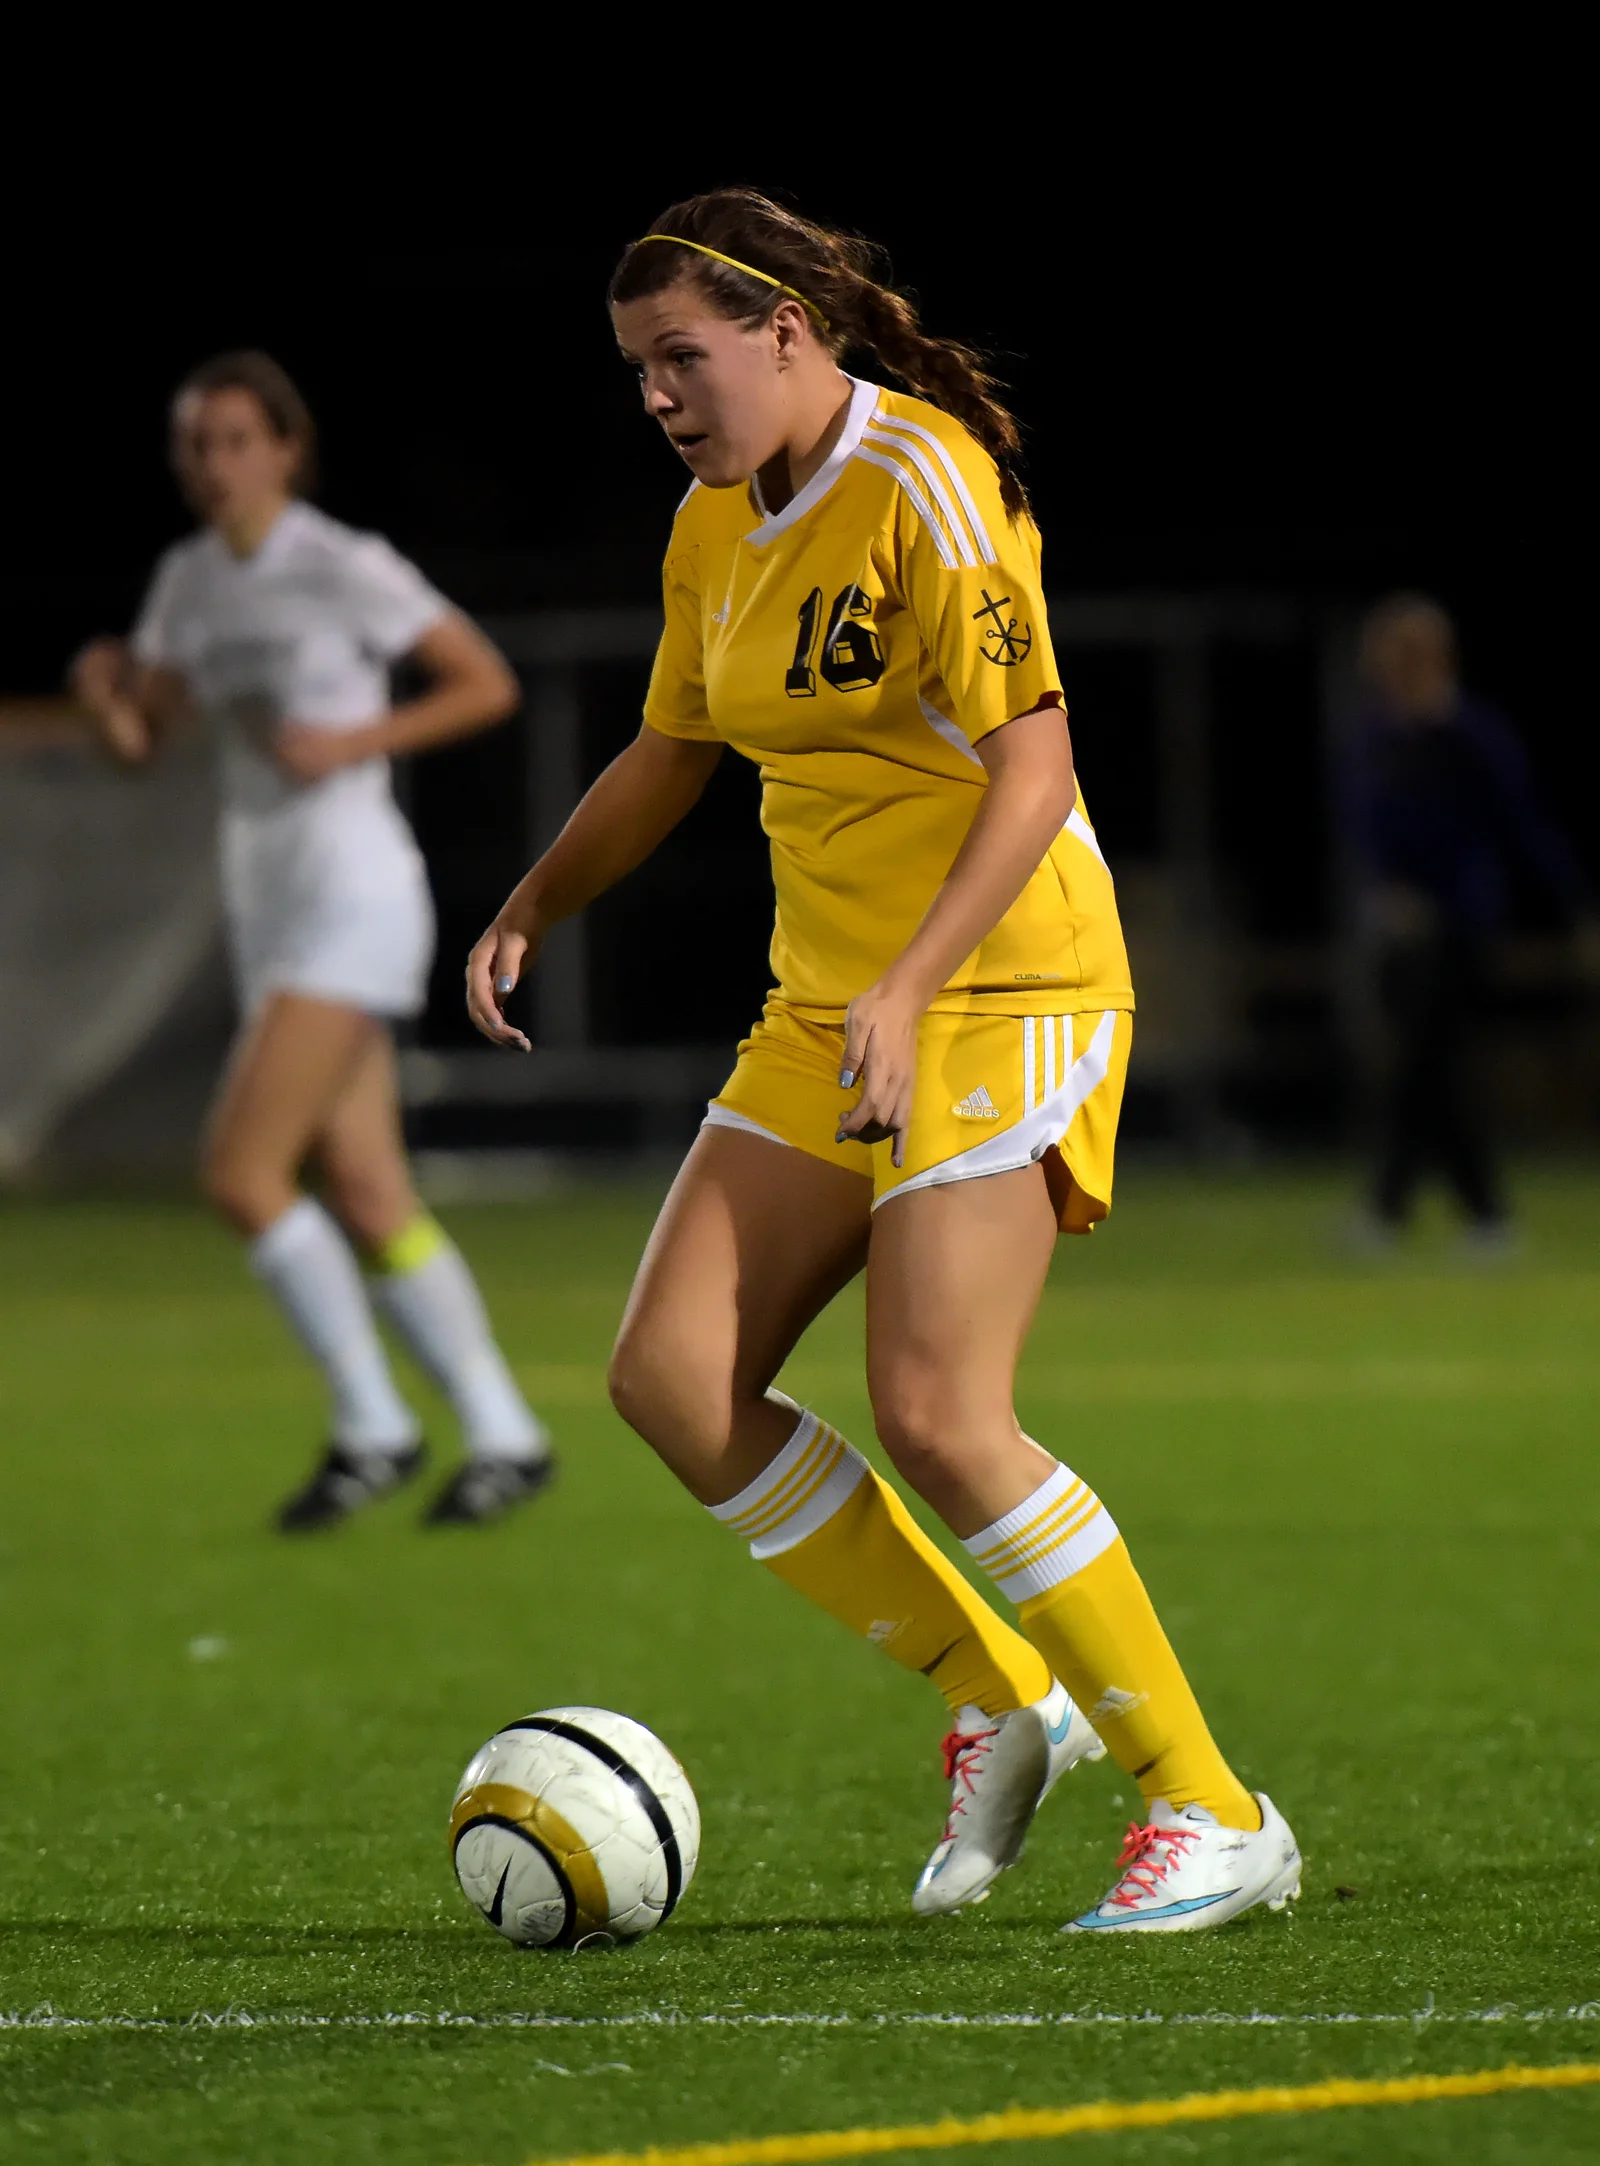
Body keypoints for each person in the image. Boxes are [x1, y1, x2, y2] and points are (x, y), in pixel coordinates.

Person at [467, 191, 1300, 1931]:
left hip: (1003, 984)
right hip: (838, 1002)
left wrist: (916, 987)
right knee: (676, 1382)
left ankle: (1216, 1811)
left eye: (681, 357)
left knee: (936, 1406)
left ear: (790, 330)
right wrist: (537, 896)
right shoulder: (715, 521)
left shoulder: (925, 483)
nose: (659, 399)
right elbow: (672, 744)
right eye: (635, 371)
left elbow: (1038, 772)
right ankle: (996, 1689)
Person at [73, 351, 553, 1530]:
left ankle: (373, 1423)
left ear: (287, 448)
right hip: (269, 903)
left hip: (355, 893)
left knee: (240, 1173)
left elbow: (484, 683)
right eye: (198, 444)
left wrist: (354, 743)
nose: (219, 463)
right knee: (366, 1187)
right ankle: (504, 1431)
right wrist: (104, 698)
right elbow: (147, 739)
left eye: (240, 439)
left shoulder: (342, 564)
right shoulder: (190, 580)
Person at [1348, 594, 1592, 1249]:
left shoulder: (1470, 735)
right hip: (1397, 932)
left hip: (1458, 927)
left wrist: (1573, 908)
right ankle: (1423, 1212)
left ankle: (1464, 1213)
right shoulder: (1377, 736)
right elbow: (1368, 833)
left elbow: (1523, 826)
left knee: (1429, 1065)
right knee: (1421, 1069)